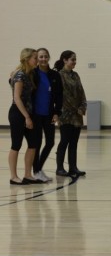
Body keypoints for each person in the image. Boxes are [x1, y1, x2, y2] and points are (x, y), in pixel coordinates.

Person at [8, 48, 41, 185]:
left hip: (28, 113)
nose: (37, 60)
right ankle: (13, 176)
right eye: (35, 58)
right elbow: (17, 98)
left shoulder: (30, 74)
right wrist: (27, 117)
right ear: (27, 59)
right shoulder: (20, 75)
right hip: (18, 113)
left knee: (33, 144)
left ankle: (28, 174)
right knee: (16, 144)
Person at [54, 50, 87, 177]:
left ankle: (73, 167)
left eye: (75, 59)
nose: (74, 62)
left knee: (74, 142)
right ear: (65, 60)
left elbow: (81, 93)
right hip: (65, 114)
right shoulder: (59, 75)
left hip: (77, 114)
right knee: (64, 141)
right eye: (72, 59)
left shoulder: (76, 75)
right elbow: (57, 96)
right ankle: (60, 168)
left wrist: (83, 106)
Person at [32, 48, 63, 182]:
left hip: (49, 114)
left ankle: (38, 168)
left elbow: (59, 95)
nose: (43, 59)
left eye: (45, 56)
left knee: (50, 142)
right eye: (41, 57)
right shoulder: (33, 73)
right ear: (37, 59)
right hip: (35, 114)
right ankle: (36, 171)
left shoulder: (54, 75)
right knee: (37, 143)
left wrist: (57, 113)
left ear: (49, 57)